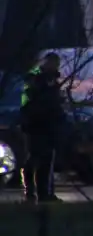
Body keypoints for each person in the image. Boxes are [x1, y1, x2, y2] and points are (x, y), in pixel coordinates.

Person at [20, 53, 66, 203]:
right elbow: (30, 101)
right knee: (34, 159)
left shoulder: (53, 80)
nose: (55, 66)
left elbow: (55, 102)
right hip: (34, 124)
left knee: (47, 160)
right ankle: (30, 192)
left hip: (49, 125)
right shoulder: (34, 78)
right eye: (52, 63)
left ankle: (45, 193)